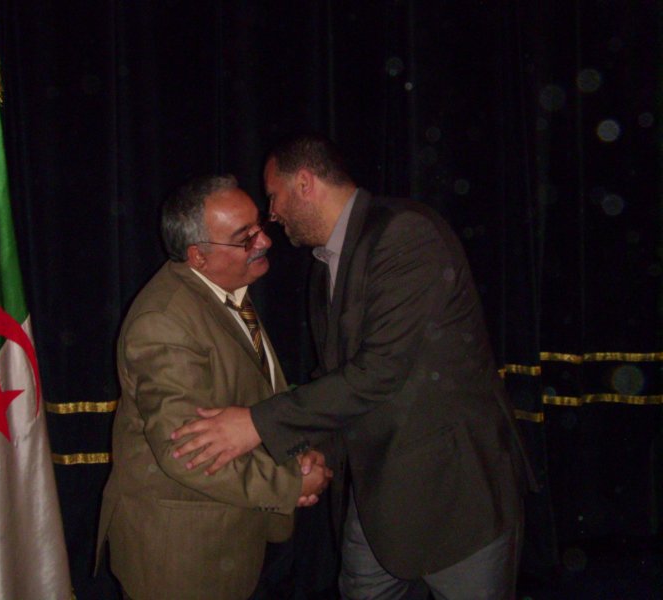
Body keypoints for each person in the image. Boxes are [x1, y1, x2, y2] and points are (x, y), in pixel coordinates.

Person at [171, 134, 536, 599]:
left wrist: (255, 424)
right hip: (379, 496)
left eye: (274, 196)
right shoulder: (326, 264)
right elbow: (337, 380)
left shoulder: (404, 234)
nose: (272, 214)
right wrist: (312, 452)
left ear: (305, 184)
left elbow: (378, 372)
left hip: (456, 495)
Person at [96, 174, 333, 600]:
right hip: (180, 556)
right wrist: (289, 485)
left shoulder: (225, 290)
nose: (265, 241)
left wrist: (296, 450)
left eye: (259, 226)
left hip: (221, 536)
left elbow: (256, 394)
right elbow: (187, 452)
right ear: (198, 256)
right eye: (245, 238)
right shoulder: (164, 322)